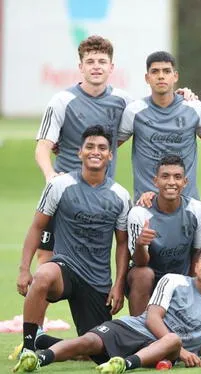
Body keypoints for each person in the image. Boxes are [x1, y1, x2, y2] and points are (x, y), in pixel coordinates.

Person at [13, 243, 201, 373]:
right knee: (88, 342)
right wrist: (186, 352)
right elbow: (153, 318)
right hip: (135, 329)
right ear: (195, 266)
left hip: (164, 351)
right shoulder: (174, 281)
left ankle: (124, 365)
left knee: (173, 341)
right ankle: (38, 358)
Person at [16, 126, 131, 355]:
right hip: (65, 270)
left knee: (96, 351)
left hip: (97, 280)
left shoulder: (120, 195)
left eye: (102, 148)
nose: (95, 152)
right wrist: (24, 269)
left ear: (110, 155)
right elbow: (37, 226)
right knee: (43, 275)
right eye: (89, 146)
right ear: (80, 152)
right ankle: (28, 348)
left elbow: (122, 244)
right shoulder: (59, 185)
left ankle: (45, 342)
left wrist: (118, 285)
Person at [34, 35, 132, 265]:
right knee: (46, 257)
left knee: (94, 259)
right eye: (90, 61)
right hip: (63, 194)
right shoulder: (61, 100)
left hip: (101, 196)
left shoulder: (123, 101)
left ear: (111, 67)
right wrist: (50, 176)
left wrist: (181, 95)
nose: (96, 66)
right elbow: (43, 146)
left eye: (101, 61)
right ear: (81, 67)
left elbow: (147, 116)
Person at [118, 51, 201, 200]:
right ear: (147, 78)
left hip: (187, 202)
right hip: (147, 203)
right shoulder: (134, 111)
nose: (161, 76)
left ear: (175, 76)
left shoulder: (194, 108)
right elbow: (108, 147)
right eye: (155, 71)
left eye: (166, 71)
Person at [126, 154, 201, 316]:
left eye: (177, 177)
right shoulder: (139, 213)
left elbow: (200, 255)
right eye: (165, 177)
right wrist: (140, 244)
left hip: (181, 279)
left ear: (185, 182)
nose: (171, 182)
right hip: (149, 281)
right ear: (155, 181)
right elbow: (139, 262)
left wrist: (193, 291)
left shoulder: (196, 209)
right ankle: (139, 333)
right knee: (143, 274)